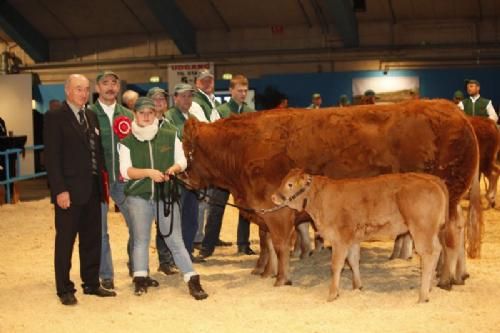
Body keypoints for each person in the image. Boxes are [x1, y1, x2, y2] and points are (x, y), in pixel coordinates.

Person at [118, 97, 208, 300]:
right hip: (138, 196)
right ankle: (140, 278)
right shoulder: (127, 142)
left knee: (174, 239)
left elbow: (182, 161)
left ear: (156, 114)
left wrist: (174, 169)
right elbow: (125, 171)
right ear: (135, 115)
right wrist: (149, 173)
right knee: (140, 239)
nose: (146, 116)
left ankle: (192, 279)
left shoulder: (169, 135)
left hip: (166, 195)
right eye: (142, 113)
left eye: (150, 112)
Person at [44, 74, 116, 306]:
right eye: (78, 89)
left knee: (92, 240)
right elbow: (52, 159)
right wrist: (59, 191)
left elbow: (98, 153)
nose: (83, 94)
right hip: (69, 192)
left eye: (86, 89)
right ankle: (64, 288)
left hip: (93, 190)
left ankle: (91, 283)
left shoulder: (91, 115)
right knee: (65, 241)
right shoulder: (55, 117)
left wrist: (104, 186)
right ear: (67, 90)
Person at [198, 74, 256, 258]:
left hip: (242, 168)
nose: (242, 93)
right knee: (216, 207)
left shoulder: (250, 111)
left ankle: (243, 244)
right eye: (239, 90)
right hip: (223, 169)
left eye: (245, 90)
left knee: (246, 208)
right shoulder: (221, 111)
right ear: (231, 91)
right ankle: (207, 248)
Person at [89, 71, 135, 287]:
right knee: (100, 231)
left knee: (137, 224)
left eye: (114, 83)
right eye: (105, 83)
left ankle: (137, 265)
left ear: (119, 88)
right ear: (97, 88)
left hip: (125, 180)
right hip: (98, 181)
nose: (110, 87)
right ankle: (106, 275)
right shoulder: (88, 114)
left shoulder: (128, 114)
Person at [190, 69, 231, 249]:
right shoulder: (195, 102)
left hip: (213, 155)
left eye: (210, 80)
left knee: (209, 200)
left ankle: (208, 236)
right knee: (202, 200)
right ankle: (197, 238)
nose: (207, 83)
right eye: (203, 81)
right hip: (203, 156)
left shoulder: (210, 100)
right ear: (197, 83)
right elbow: (206, 128)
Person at [165, 83, 206, 262]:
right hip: (178, 174)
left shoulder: (194, 118)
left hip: (193, 174)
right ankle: (175, 255)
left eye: (189, 96)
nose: (186, 99)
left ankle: (187, 252)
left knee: (192, 216)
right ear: (175, 98)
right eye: (182, 96)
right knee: (177, 217)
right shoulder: (169, 117)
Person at [146, 86, 179, 275]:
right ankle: (137, 265)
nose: (159, 102)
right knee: (140, 229)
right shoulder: (140, 125)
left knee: (165, 224)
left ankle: (165, 261)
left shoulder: (171, 128)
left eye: (162, 100)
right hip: (144, 184)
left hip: (167, 182)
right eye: (155, 99)